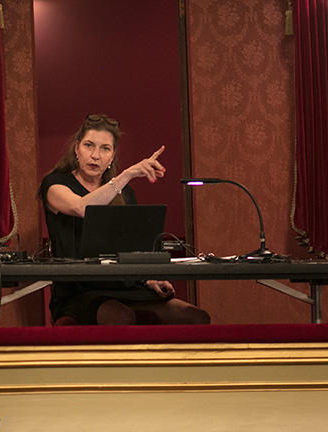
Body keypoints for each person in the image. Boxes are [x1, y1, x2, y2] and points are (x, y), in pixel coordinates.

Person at [37, 114, 211, 326]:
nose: (95, 155)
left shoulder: (124, 193)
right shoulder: (54, 184)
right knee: (120, 316)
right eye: (88, 146)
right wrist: (127, 174)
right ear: (76, 149)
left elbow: (131, 247)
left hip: (124, 286)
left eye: (105, 149)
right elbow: (82, 207)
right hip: (80, 291)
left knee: (195, 316)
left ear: (112, 156)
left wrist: (149, 279)